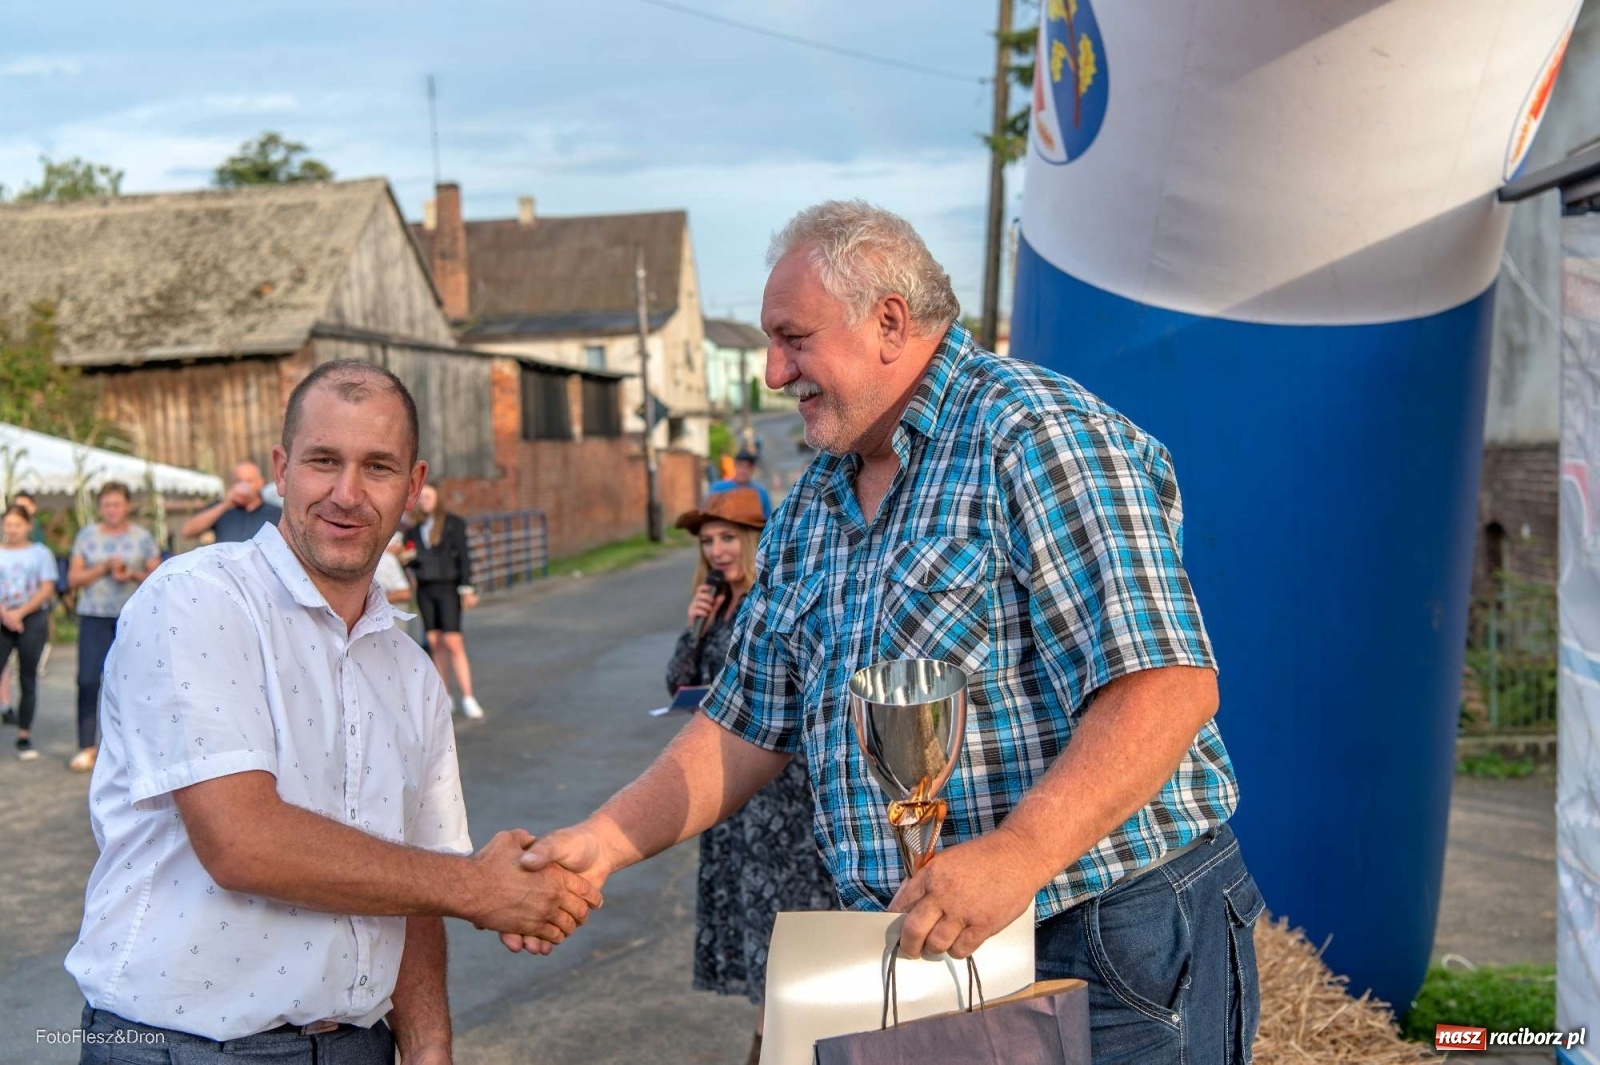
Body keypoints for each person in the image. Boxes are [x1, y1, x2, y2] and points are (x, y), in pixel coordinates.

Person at [516, 202, 1262, 1064]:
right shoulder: (813, 503)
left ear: (890, 322)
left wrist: (1017, 853)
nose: (772, 372)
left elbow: (1165, 685)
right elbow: (741, 723)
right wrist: (604, 841)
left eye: (793, 339)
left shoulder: (1035, 434)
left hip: (1104, 939)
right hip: (930, 948)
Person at [66, 360, 601, 1065]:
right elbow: (241, 842)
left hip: (359, 1046)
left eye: (378, 467)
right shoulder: (196, 599)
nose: (346, 494)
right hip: (182, 1047)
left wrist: (430, 1045)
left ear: (412, 484)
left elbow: (413, 882)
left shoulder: (410, 672)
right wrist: (478, 888)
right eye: (324, 461)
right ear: (282, 468)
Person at [668, 487, 837, 1065]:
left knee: (786, 925)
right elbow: (677, 684)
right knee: (755, 922)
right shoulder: (714, 606)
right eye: (707, 541)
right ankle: (777, 1042)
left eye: (727, 537)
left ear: (754, 539)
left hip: (780, 792)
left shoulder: (776, 600)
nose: (717, 551)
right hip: (724, 788)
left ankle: (773, 1047)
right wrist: (694, 626)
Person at [67, 482, 160, 773]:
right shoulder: (87, 536)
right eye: (107, 505)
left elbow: (159, 577)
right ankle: (87, 746)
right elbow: (73, 579)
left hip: (132, 617)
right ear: (100, 507)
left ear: (127, 506)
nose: (112, 510)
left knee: (137, 681)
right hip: (94, 616)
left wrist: (131, 574)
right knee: (87, 680)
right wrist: (103, 568)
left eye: (117, 504)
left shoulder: (142, 537)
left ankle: (140, 748)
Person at [404, 484, 483, 719]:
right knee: (433, 640)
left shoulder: (453, 523)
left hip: (448, 587)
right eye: (421, 497)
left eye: (428, 496)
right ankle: (445, 695)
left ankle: (468, 696)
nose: (424, 501)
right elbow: (412, 561)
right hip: (425, 589)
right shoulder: (413, 530)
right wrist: (406, 559)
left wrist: (466, 588)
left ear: (437, 498)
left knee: (453, 641)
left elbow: (464, 556)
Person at [0, 504, 57, 760]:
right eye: (8, 524)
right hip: (3, 616)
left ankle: (24, 734)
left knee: (27, 677)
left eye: (17, 525)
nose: (12, 529)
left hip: (31, 618)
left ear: (28, 526)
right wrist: (6, 614)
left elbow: (47, 588)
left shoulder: (40, 553)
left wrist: (20, 613)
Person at [180, 460, 282, 543]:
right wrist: (225, 505)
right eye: (239, 481)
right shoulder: (222, 510)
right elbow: (187, 531)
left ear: (260, 483)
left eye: (248, 481)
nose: (243, 486)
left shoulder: (275, 513)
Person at [709, 449, 772, 517]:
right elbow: (708, 515)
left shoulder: (761, 493)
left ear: (753, 469)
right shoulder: (718, 488)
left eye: (747, 467)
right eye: (740, 466)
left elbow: (768, 519)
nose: (743, 471)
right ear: (735, 465)